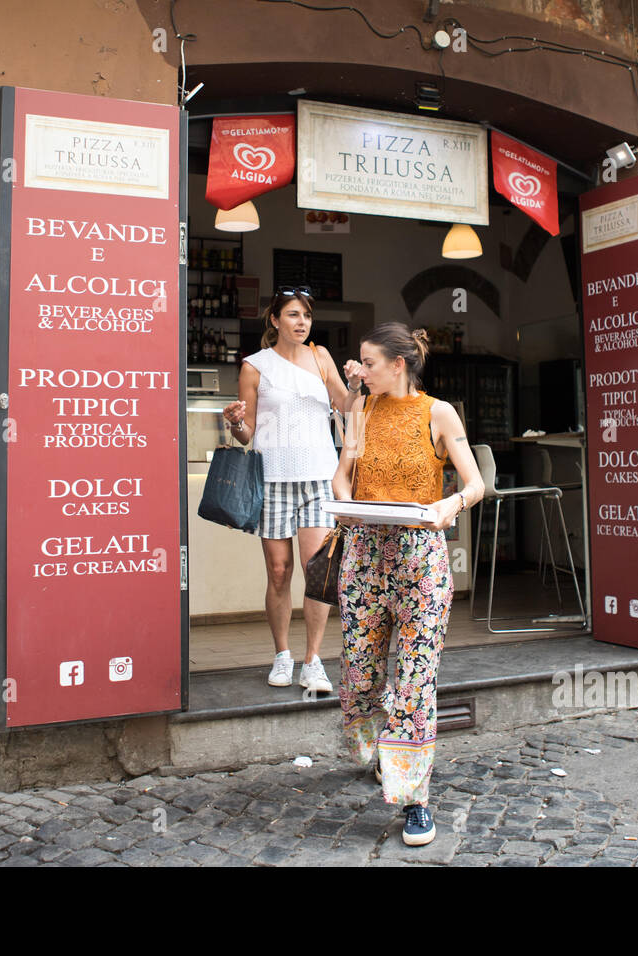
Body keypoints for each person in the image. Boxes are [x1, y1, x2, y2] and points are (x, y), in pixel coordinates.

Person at [331, 322, 484, 847]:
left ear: (398, 364)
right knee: (361, 677)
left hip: (421, 561)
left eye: (368, 363)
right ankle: (379, 755)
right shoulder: (361, 410)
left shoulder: (438, 413)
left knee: (415, 681)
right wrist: (343, 502)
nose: (361, 371)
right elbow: (341, 476)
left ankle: (414, 797)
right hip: (365, 558)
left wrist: (451, 504)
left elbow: (476, 483)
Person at [222, 287, 364, 693]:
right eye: (292, 315)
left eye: (305, 315)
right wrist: (235, 422)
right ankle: (282, 654)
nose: (301, 322)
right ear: (274, 320)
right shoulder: (254, 366)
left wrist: (354, 384)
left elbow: (347, 406)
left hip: (319, 478)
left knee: (316, 573)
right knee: (279, 572)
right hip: (273, 478)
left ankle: (313, 661)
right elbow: (247, 433)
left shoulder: (321, 358)